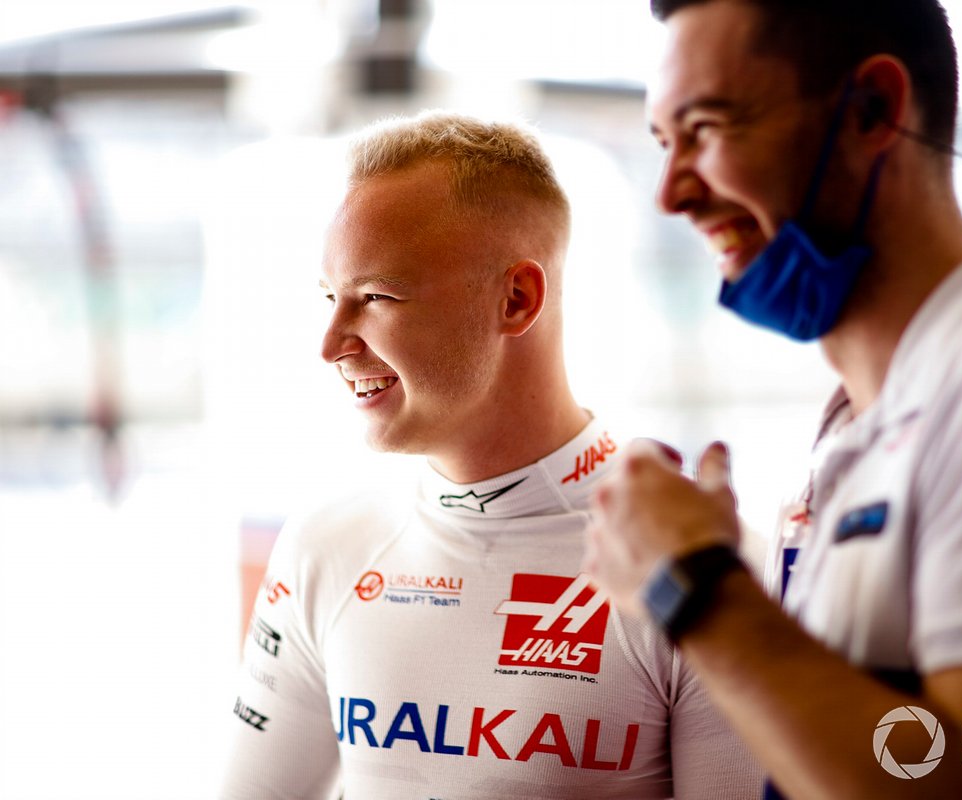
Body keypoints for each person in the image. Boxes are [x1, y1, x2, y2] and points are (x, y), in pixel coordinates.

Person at [583, 1, 962, 798]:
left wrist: (694, 590)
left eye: (706, 128)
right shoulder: (871, 419)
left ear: (873, 108)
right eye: (663, 143)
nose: (671, 193)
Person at [219, 111, 762, 799]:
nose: (331, 344)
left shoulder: (698, 562)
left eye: (376, 297)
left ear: (516, 298)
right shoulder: (326, 546)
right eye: (331, 298)